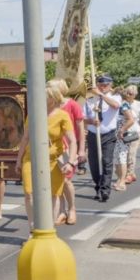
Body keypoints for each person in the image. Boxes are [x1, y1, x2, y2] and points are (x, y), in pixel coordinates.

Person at [14, 82, 77, 227]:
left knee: (53, 194)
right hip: (31, 159)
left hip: (53, 160)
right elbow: (25, 138)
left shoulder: (62, 116)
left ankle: (49, 228)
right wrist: (18, 160)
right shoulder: (33, 114)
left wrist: (70, 162)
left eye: (44, 96)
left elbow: (72, 140)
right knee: (29, 193)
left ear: (53, 99)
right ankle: (33, 228)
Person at [47, 79, 84, 224]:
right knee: (56, 181)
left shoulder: (72, 105)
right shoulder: (48, 106)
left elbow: (80, 128)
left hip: (68, 148)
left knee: (66, 180)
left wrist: (81, 149)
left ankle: (72, 208)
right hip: (53, 149)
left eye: (51, 88)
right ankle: (61, 211)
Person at [83, 75, 121, 202]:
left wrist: (100, 95)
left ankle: (105, 190)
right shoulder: (89, 100)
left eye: (106, 85)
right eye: (100, 85)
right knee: (93, 163)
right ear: (97, 85)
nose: (103, 87)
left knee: (106, 161)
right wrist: (91, 121)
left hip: (108, 134)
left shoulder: (115, 97)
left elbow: (115, 106)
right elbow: (82, 118)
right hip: (93, 134)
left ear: (110, 85)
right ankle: (98, 186)